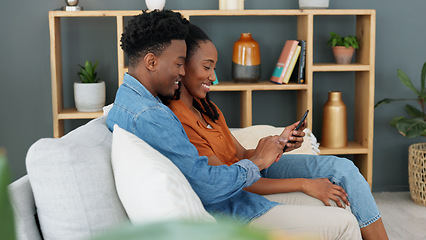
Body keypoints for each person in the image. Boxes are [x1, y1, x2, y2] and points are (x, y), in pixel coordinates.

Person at [107, 10, 361, 239]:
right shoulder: (152, 115)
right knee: (345, 222)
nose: (182, 73)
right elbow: (208, 184)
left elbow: (227, 161)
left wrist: (271, 150)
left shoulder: (128, 102)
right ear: (151, 62)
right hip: (229, 213)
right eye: (179, 64)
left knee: (337, 195)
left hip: (236, 202)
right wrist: (259, 161)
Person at [166, 22, 389, 240]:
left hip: (254, 170)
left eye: (214, 68)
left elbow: (242, 155)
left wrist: (280, 143)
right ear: (182, 66)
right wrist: (304, 183)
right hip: (243, 183)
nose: (213, 77)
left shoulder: (207, 109)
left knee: (344, 167)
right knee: (336, 197)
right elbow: (231, 179)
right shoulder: (179, 121)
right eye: (207, 67)